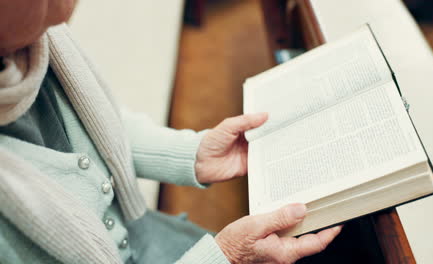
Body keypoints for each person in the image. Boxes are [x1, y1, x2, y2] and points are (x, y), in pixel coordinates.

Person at [0, 0, 342, 263]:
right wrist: (225, 256)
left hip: (143, 234)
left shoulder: (36, 39)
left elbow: (90, 125)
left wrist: (191, 153)